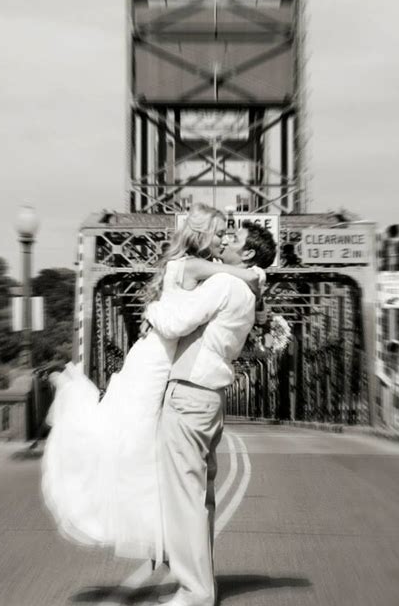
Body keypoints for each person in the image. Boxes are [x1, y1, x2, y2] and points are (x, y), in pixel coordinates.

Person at [41, 204, 265, 566]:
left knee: (144, 445)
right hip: (158, 359)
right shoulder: (194, 266)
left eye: (228, 234)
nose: (224, 238)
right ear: (203, 233)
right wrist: (256, 273)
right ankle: (158, 535)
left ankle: (158, 536)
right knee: (138, 442)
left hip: (154, 354)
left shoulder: (187, 266)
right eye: (221, 232)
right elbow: (242, 277)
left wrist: (154, 314)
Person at [145, 221, 277, 606]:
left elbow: (173, 321)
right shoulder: (245, 292)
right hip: (207, 395)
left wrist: (151, 305)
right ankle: (198, 581)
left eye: (234, 240)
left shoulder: (224, 285)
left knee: (184, 497)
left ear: (249, 254)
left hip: (188, 392)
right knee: (199, 498)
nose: (225, 242)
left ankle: (195, 591)